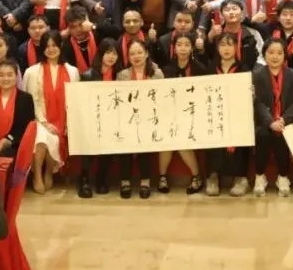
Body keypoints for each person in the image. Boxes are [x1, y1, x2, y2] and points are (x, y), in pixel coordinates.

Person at [23, 31, 80, 194]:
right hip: (39, 119)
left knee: (53, 136)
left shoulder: (72, 71)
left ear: (61, 46)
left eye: (54, 45)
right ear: (42, 49)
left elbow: (74, 100)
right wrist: (43, 122)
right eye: (47, 46)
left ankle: (49, 172)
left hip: (64, 121)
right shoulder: (32, 71)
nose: (51, 49)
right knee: (42, 136)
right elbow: (31, 101)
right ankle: (37, 176)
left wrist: (68, 123)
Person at [203, 32, 253, 196]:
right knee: (212, 132)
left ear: (236, 47)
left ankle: (240, 178)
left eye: (230, 44)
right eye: (222, 45)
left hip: (238, 114)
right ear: (217, 48)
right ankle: (213, 176)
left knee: (241, 131)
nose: (226, 49)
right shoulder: (211, 68)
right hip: (216, 113)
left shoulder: (243, 68)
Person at [251, 38, 293, 197]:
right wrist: (270, 122)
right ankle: (260, 176)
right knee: (263, 134)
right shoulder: (257, 75)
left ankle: (283, 177)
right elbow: (257, 102)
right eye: (271, 52)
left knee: (283, 134)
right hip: (264, 121)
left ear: (285, 55)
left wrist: (283, 119)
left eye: (279, 53)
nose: (275, 56)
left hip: (286, 120)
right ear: (264, 54)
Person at [157, 33, 207, 195]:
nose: (183, 48)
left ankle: (197, 177)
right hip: (170, 114)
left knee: (180, 138)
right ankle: (162, 177)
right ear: (174, 47)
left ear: (192, 47)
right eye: (179, 45)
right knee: (167, 138)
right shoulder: (166, 69)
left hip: (194, 115)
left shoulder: (200, 68)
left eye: (187, 45)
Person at [115, 39, 163, 199]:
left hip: (150, 118)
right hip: (128, 118)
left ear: (147, 53)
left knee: (145, 138)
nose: (136, 56)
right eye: (132, 54)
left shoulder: (157, 74)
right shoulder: (122, 75)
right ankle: (125, 181)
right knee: (124, 140)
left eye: (139, 52)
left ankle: (145, 181)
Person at [76, 39, 121, 198]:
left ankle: (102, 177)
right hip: (92, 118)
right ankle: (84, 179)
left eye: (114, 53)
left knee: (109, 144)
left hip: (113, 119)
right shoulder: (88, 75)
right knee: (88, 142)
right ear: (100, 54)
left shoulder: (120, 75)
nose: (111, 57)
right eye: (108, 52)